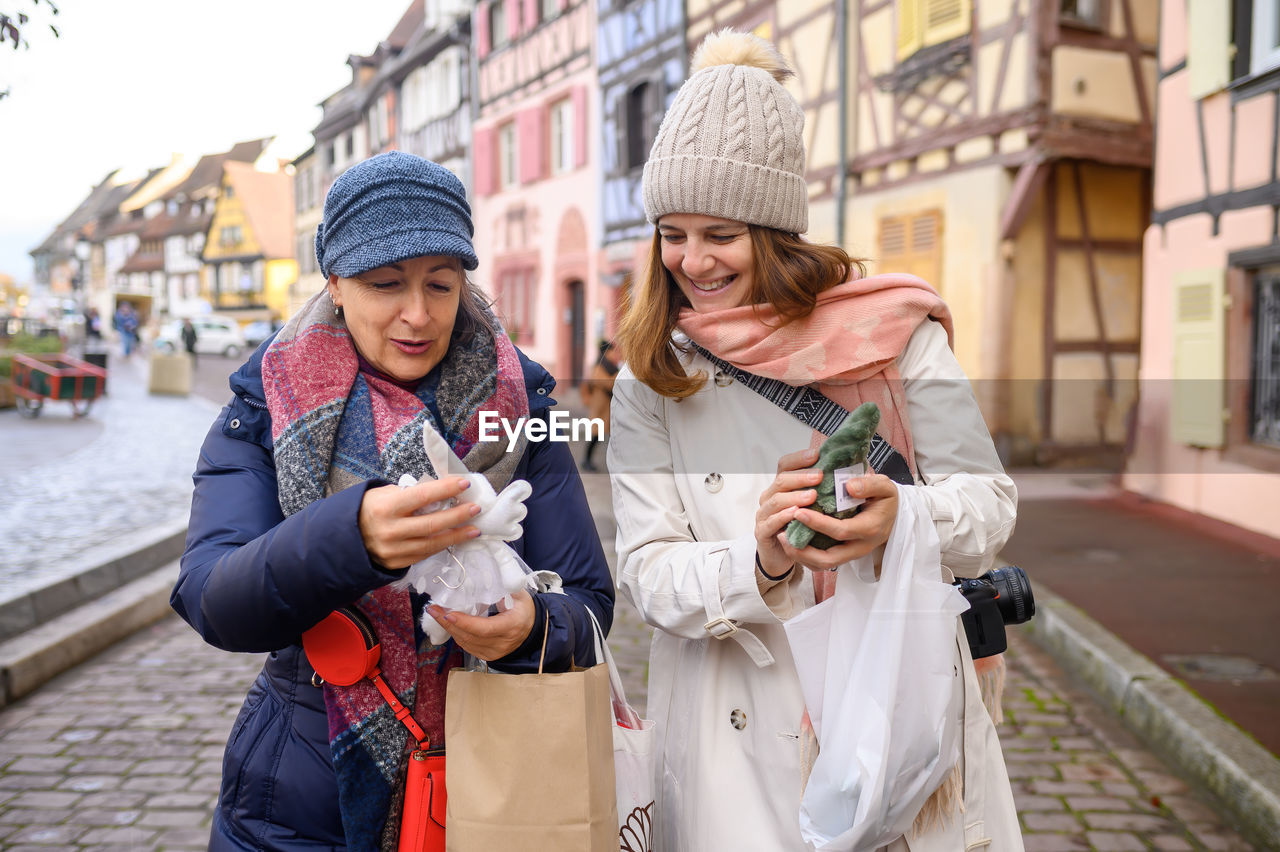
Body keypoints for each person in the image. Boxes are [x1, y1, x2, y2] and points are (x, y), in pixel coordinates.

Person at [608, 30, 1022, 851]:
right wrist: (758, 562)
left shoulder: (896, 333)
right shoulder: (651, 373)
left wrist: (898, 518)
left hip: (892, 700)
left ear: (772, 228)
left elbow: (988, 506)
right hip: (733, 739)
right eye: (672, 232)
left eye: (720, 232)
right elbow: (646, 573)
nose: (692, 260)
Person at [171, 152, 614, 850]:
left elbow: (590, 602)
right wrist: (352, 540)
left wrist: (532, 629)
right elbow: (212, 600)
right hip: (300, 805)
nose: (418, 315)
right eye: (385, 284)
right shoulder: (264, 408)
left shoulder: (524, 410)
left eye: (440, 285)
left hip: (500, 786)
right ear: (336, 284)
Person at [578, 339, 621, 471]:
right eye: (613, 351)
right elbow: (606, 383)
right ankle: (586, 460)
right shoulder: (600, 366)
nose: (615, 354)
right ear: (607, 352)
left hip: (606, 407)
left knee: (602, 435)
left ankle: (590, 461)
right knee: (596, 435)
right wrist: (618, 376)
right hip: (600, 407)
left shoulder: (610, 367)